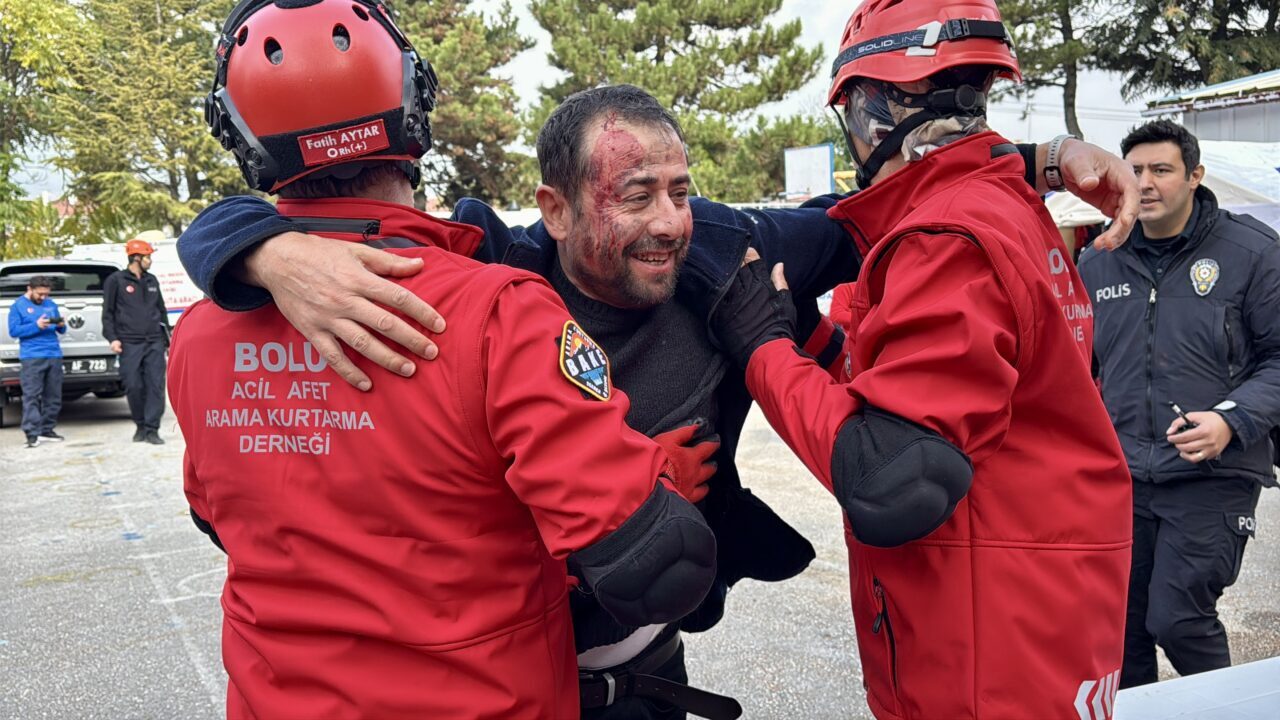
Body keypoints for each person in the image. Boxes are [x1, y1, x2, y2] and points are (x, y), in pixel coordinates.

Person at [171, 1, 715, 717]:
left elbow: (218, 517)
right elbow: (660, 569)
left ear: (243, 138)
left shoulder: (202, 335)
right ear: (412, 106)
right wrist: (649, 478)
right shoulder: (497, 312)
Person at [707, 0, 1133, 716]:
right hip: (1041, 613)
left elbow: (895, 480)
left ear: (876, 109)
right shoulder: (1005, 207)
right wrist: (810, 343)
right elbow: (945, 396)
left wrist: (763, 349)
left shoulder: (945, 236)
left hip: (986, 654)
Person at [1077, 119, 1280, 689]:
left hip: (1211, 474)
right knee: (1121, 629)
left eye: (1161, 170)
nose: (1144, 183)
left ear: (1195, 176)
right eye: (1134, 170)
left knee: (1178, 618)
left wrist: (1231, 420)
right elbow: (1074, 374)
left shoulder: (1252, 253)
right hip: (1123, 479)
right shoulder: (1097, 262)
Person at [103, 236, 171, 444]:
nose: (150, 261)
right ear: (136, 258)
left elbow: (161, 310)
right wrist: (112, 338)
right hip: (129, 342)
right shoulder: (116, 281)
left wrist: (167, 339)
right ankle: (140, 425)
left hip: (153, 341)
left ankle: (152, 429)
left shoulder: (152, 281)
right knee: (133, 385)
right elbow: (108, 312)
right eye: (148, 257)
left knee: (156, 385)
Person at [7, 275, 66, 447]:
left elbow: (61, 329)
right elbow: (14, 330)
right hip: (31, 356)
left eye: (46, 294)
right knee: (31, 395)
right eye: (40, 294)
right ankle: (31, 433)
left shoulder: (51, 304)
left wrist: (61, 324)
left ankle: (47, 429)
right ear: (29, 289)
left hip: (53, 354)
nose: (43, 298)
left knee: (53, 395)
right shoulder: (18, 306)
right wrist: (36, 326)